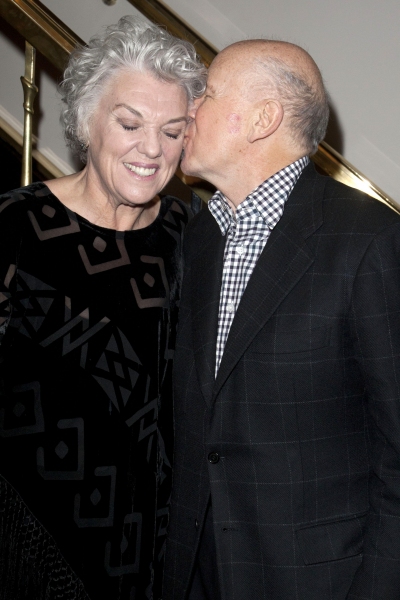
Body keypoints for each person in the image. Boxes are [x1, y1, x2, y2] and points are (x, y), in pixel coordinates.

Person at [163, 39, 400, 600]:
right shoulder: (196, 237)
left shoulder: (367, 241)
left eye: (207, 93)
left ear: (264, 118)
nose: (187, 108)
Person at [0, 15, 206, 600]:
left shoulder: (193, 240)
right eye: (130, 123)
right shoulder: (17, 226)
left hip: (148, 550)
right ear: (87, 122)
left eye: (173, 130)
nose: (152, 148)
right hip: (21, 535)